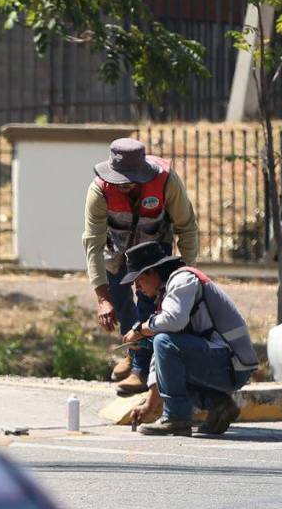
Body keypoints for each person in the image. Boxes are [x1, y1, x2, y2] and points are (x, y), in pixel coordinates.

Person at [83, 138, 199, 394]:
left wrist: (187, 274)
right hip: (116, 252)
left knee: (149, 305)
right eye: (119, 181)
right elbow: (92, 243)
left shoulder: (167, 181)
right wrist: (102, 297)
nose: (124, 186)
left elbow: (187, 227)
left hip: (154, 252)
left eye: (130, 181)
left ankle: (140, 371)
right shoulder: (99, 190)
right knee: (120, 300)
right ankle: (133, 354)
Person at [122, 241, 258, 436]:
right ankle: (219, 405)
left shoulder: (182, 280)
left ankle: (176, 418)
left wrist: (140, 329)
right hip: (225, 363)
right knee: (163, 346)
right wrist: (149, 405)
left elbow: (173, 323)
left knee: (163, 343)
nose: (138, 288)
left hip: (232, 365)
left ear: (152, 272)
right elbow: (163, 355)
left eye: (139, 280)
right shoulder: (169, 292)